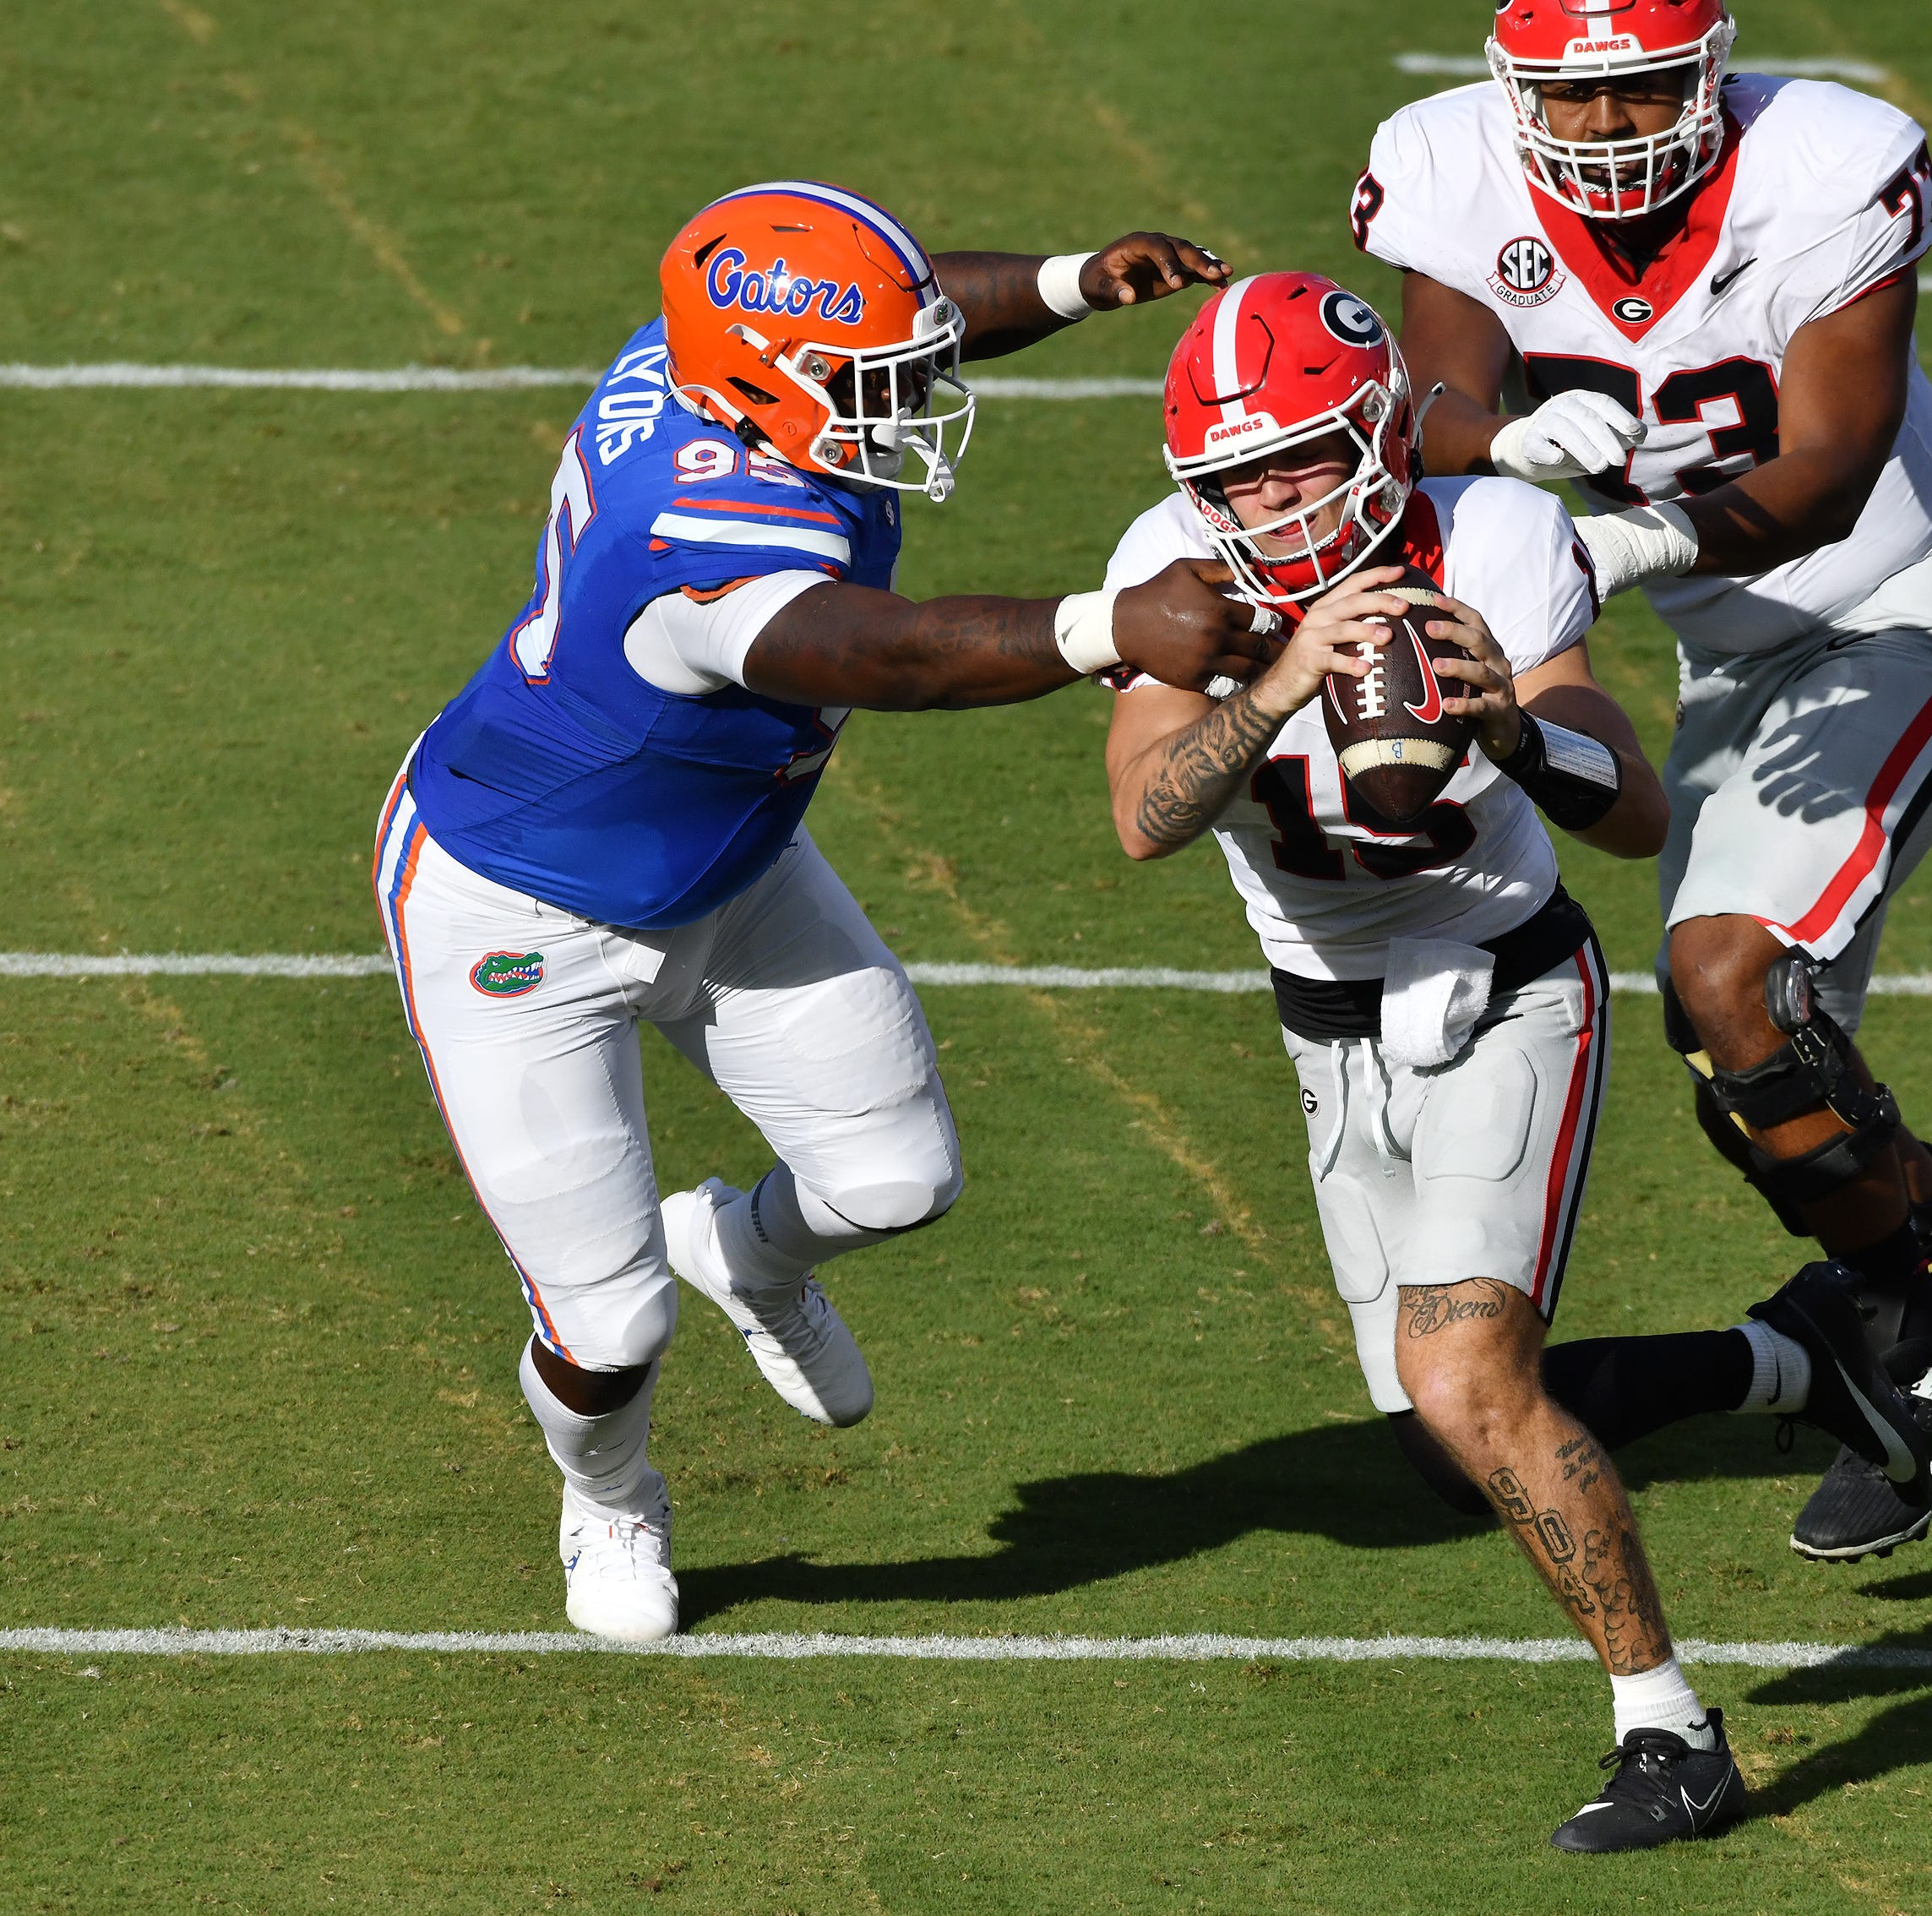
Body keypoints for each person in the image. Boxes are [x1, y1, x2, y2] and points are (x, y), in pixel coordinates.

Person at [1099, 269, 1932, 1853]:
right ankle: (1804, 1359)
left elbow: (1632, 809)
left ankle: (1672, 1736)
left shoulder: (1487, 536)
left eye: (1292, 461)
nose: (1262, 503)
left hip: (1502, 989)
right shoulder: (1172, 566)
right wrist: (1273, 676)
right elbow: (1144, 816)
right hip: (1325, 1017)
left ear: (1371, 439)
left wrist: (1509, 732)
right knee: (1443, 1443)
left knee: (1462, 1380)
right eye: (1231, 475)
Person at [375, 180, 1270, 1643]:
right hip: (517, 911)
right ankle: (607, 1502)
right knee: (610, 1328)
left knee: (898, 1178)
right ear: (763, 384)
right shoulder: (701, 532)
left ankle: (746, 1250)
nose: (906, 401)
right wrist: (1110, 625)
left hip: (729, 865)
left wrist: (1064, 282)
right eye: (870, 386)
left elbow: (910, 317)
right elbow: (894, 657)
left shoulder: (704, 359)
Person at [1352, 2, 1932, 1557]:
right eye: (1568, 103)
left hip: (1901, 607)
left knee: (1739, 985)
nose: (1600, 134)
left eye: (1637, 91)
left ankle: (1919, 1360)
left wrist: (1633, 537)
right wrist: (1503, 446)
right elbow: (1429, 406)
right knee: (1755, 1065)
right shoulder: (1452, 169)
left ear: (1709, 73)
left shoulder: (1826, 167)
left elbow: (1834, 460)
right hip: (1733, 657)